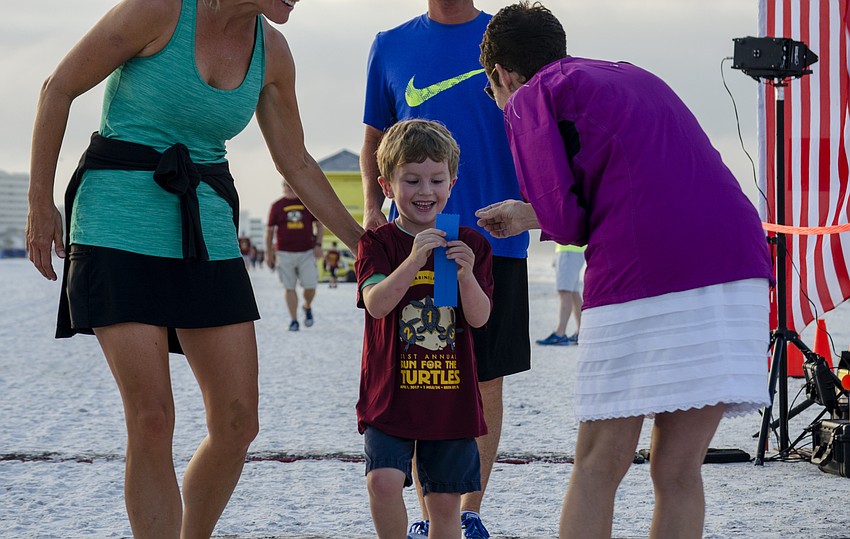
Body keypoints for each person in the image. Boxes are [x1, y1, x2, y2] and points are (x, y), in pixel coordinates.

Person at [24, 0, 363, 537]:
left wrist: (362, 245)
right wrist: (40, 203)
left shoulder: (272, 53)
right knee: (152, 419)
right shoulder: (158, 11)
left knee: (237, 423)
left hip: (205, 227)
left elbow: (294, 160)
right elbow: (58, 87)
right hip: (115, 222)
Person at [475, 3, 774, 538]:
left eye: (491, 90)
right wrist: (526, 213)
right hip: (737, 262)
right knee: (677, 469)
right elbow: (628, 180)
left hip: (649, 267)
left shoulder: (529, 95)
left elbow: (567, 221)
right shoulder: (626, 74)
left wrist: (531, 212)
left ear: (502, 74)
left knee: (598, 462)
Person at [360, 1, 531, 535]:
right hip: (414, 243)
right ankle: (425, 518)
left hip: (492, 239)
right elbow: (373, 138)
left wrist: (536, 207)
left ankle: (470, 512)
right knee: (421, 374)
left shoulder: (504, 35)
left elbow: (540, 125)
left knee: (485, 381)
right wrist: (370, 209)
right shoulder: (390, 43)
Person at [355, 119, 494, 539]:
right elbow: (376, 305)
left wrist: (467, 275)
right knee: (382, 481)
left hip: (449, 397)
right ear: (387, 184)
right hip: (389, 394)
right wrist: (414, 260)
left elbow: (480, 317)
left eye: (436, 179)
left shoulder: (471, 243)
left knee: (444, 503)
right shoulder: (377, 243)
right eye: (411, 180)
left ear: (452, 182)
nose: (425, 191)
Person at [265, 181, 324, 331]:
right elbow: (270, 231)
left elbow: (319, 224)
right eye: (287, 186)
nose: (290, 189)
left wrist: (318, 245)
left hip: (306, 252)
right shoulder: (277, 206)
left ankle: (307, 306)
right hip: (284, 253)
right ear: (283, 187)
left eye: (292, 186)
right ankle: (294, 320)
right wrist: (269, 253)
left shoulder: (307, 203)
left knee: (310, 286)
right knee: (289, 287)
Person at [537, 243, 585, 346]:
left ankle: (560, 334)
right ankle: (581, 333)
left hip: (568, 249)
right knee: (573, 292)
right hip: (575, 249)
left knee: (565, 292)